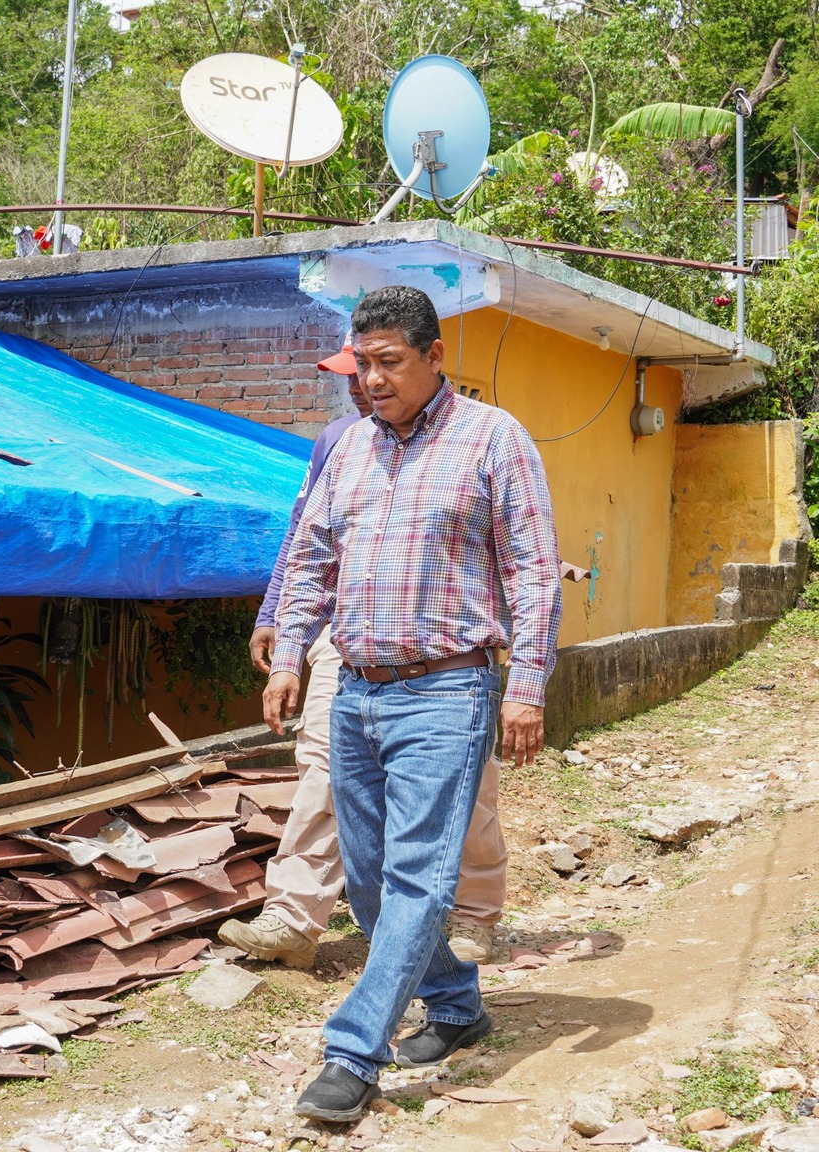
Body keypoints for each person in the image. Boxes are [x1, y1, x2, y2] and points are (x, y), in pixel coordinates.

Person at [264, 286, 562, 1124]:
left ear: (436, 358)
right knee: (367, 886)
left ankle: (354, 1052)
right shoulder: (351, 450)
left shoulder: (494, 441)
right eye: (363, 364)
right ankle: (459, 1007)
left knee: (417, 878)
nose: (373, 381)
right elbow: (308, 561)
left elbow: (536, 575)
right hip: (355, 691)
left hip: (448, 688)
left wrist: (526, 686)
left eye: (390, 363)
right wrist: (290, 654)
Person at [220, 339, 510, 972]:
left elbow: (516, 544)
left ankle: (474, 912)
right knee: (323, 768)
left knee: (468, 785)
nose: (363, 384)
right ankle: (293, 917)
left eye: (377, 369)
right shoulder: (339, 443)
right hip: (346, 638)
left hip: (452, 655)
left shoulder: (479, 437)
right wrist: (278, 622)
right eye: (353, 373)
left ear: (424, 362)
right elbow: (305, 538)